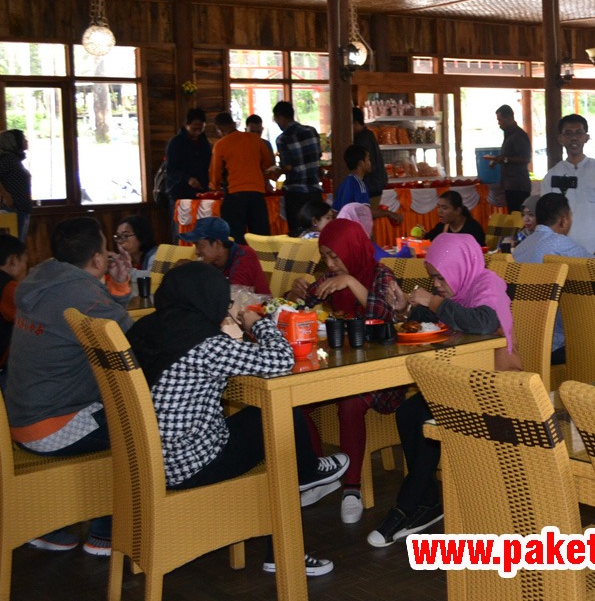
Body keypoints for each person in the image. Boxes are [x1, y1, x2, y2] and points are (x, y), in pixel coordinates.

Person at [126, 262, 347, 576]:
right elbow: (280, 359)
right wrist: (257, 323)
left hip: (148, 458)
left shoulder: (144, 328)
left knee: (267, 421)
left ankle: (303, 476)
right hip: (191, 464)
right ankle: (304, 477)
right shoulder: (205, 345)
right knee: (282, 418)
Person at [368, 233, 519, 547]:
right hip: (461, 381)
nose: (436, 284)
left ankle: (407, 506)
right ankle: (428, 501)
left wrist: (434, 301)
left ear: (459, 267)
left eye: (440, 277)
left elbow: (483, 322)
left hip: (495, 384)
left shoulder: (487, 284)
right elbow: (439, 316)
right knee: (408, 412)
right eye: (433, 278)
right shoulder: (459, 289)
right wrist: (406, 309)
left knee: (429, 416)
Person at [5, 217, 135, 555]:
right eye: (106, 248)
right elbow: (131, 342)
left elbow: (106, 327)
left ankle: (50, 524)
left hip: (20, 420)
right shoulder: (81, 294)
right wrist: (119, 287)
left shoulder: (42, 278)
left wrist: (117, 286)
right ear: (98, 259)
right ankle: (106, 532)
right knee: (141, 424)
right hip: (53, 429)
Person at [293, 219, 404, 524]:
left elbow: (383, 317)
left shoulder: (381, 274)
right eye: (325, 257)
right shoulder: (331, 276)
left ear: (352, 249)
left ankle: (351, 489)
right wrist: (295, 292)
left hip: (383, 373)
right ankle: (321, 473)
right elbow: (303, 304)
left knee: (350, 401)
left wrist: (352, 283)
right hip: (341, 369)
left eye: (334, 256)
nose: (330, 264)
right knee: (295, 404)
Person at [512, 193, 591, 364]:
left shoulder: (521, 247)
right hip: (552, 343)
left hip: (522, 338)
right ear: (564, 220)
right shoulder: (560, 244)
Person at [541, 115, 595, 256]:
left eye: (579, 133)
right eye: (568, 133)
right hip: (562, 252)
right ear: (560, 139)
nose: (574, 138)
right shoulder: (551, 175)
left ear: (586, 137)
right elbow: (547, 220)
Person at [209, 112, 273, 243]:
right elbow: (268, 165)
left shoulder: (221, 144)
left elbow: (215, 173)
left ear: (219, 129)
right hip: (257, 193)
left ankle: (240, 256)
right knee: (261, 236)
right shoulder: (255, 139)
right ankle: (264, 256)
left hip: (235, 194)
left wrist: (214, 187)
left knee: (236, 237)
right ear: (233, 124)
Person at [270, 101, 323, 237]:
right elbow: (318, 156)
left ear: (281, 117)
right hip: (314, 190)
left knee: (298, 233)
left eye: (276, 120)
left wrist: (278, 171)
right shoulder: (312, 131)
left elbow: (288, 166)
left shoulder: (283, 139)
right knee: (317, 231)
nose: (278, 124)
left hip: (296, 194)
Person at [182, 217, 268, 294]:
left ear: (218, 244)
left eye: (199, 245)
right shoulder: (210, 263)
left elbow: (232, 294)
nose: (196, 252)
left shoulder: (245, 255)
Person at [165, 109, 212, 238]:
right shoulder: (175, 143)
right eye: (194, 128)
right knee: (181, 232)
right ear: (186, 124)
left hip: (200, 195)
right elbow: (170, 171)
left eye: (201, 129)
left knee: (201, 234)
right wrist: (188, 179)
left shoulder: (204, 143)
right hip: (180, 195)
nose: (197, 132)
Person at [485, 105, 532, 213]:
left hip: (518, 186)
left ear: (509, 118)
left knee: (518, 217)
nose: (499, 123)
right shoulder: (509, 135)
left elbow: (525, 159)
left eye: (500, 120)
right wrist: (498, 160)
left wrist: (504, 159)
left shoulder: (518, 135)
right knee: (513, 216)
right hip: (511, 185)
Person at [0, 234, 28, 371]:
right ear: (12, 260)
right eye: (25, 261)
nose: (26, 267)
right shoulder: (8, 288)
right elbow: (35, 318)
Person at [0, 130, 32, 241]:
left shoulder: (14, 159)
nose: (26, 141)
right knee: (15, 244)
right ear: (13, 142)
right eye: (23, 138)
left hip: (21, 207)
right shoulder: (7, 159)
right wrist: (6, 196)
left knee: (18, 243)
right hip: (14, 208)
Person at [352, 107, 388, 203]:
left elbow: (367, 166)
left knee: (367, 211)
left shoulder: (363, 140)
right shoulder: (367, 135)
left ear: (355, 123)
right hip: (374, 185)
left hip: (371, 186)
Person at [333, 145, 372, 211]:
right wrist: (388, 213)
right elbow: (365, 211)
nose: (370, 162)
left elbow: (335, 210)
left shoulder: (344, 183)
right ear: (360, 163)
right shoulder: (359, 184)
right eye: (368, 159)